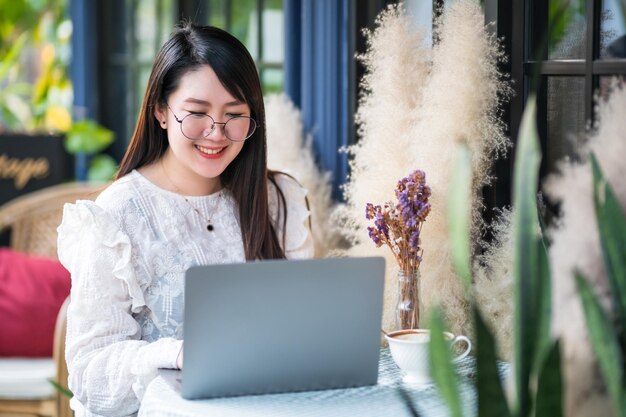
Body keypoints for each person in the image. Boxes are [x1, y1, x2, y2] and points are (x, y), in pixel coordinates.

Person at [57, 22, 314, 417]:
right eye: (197, 113)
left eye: (235, 115)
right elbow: (91, 374)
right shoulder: (114, 217)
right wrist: (178, 355)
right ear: (161, 110)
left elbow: (303, 328)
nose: (216, 133)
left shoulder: (280, 200)